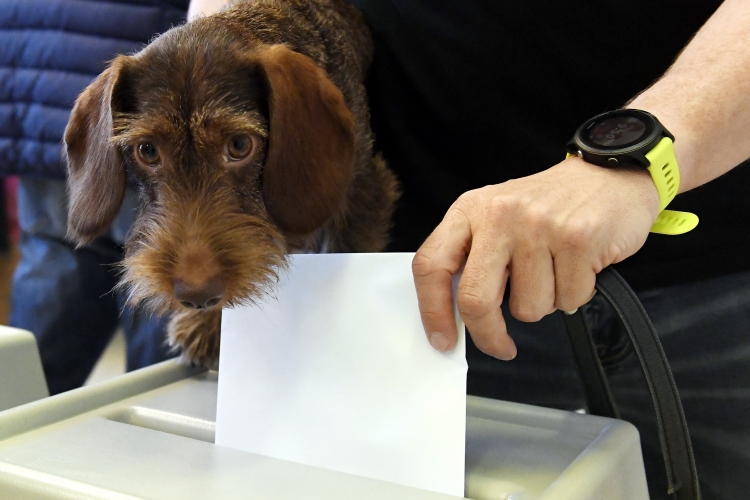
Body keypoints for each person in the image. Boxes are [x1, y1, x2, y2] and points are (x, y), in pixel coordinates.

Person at [0, 0, 188, 394]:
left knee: (34, 362)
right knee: (160, 367)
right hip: (156, 100)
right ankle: (153, 450)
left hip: (38, 80)